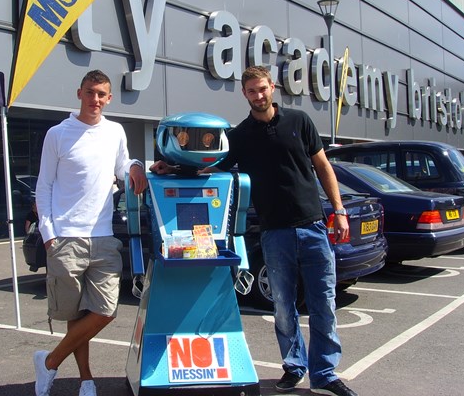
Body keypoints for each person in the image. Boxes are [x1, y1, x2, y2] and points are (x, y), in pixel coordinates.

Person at [151, 66, 357, 396]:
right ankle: (293, 367)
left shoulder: (299, 121)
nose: (258, 95)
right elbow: (208, 166)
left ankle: (326, 373)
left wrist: (340, 211)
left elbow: (323, 167)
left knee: (323, 304)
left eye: (262, 89)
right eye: (251, 91)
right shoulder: (239, 136)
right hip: (274, 232)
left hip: (313, 226)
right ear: (244, 94)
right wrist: (170, 167)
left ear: (272, 87)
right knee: (283, 307)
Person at [33, 69, 148, 396]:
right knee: (74, 313)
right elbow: (44, 187)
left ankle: (50, 361)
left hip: (102, 236)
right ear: (79, 93)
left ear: (108, 98)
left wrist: (136, 164)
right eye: (90, 92)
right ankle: (86, 380)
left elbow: (122, 166)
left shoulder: (115, 132)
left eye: (101, 94)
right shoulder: (58, 134)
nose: (95, 99)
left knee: (105, 311)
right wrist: (48, 233)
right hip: (66, 238)